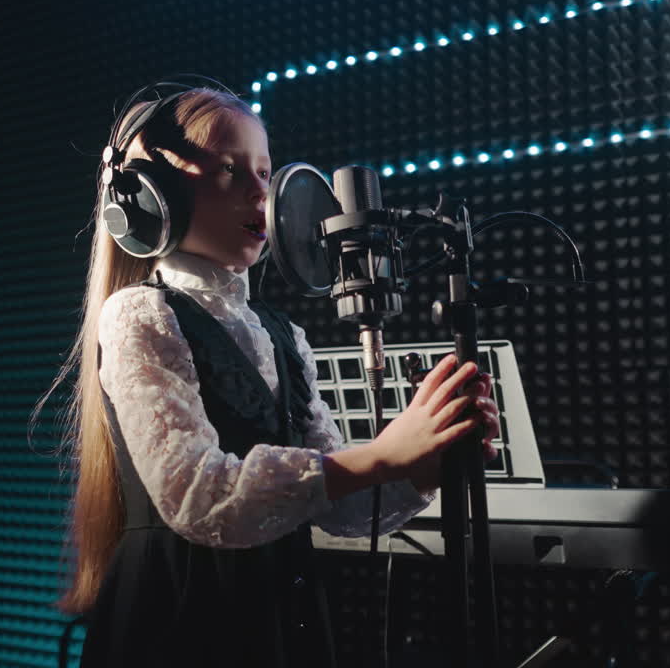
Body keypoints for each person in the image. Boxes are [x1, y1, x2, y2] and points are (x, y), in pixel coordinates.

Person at [36, 83, 500, 667]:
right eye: (233, 173)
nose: (264, 195)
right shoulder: (138, 314)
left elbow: (339, 506)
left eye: (267, 172)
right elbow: (198, 495)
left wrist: (421, 460)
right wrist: (381, 455)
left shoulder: (283, 336)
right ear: (154, 197)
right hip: (182, 621)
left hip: (280, 612)